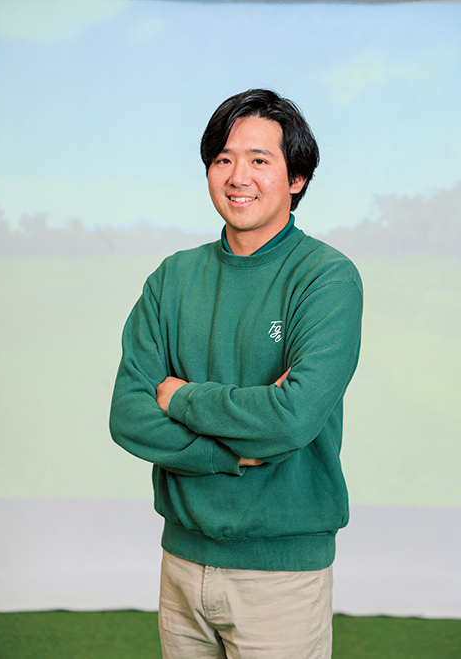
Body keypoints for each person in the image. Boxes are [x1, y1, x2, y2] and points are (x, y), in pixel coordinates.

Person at [110, 88, 363, 658]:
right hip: (181, 560)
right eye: (223, 159)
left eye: (258, 160)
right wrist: (232, 453)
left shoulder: (326, 279)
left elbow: (291, 419)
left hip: (282, 575)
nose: (237, 177)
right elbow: (127, 415)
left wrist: (180, 398)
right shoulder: (172, 278)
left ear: (297, 178)